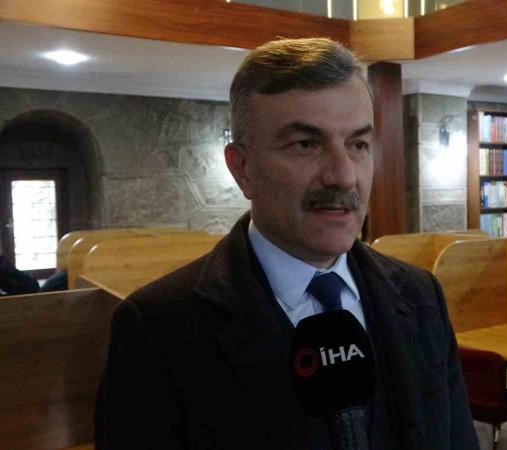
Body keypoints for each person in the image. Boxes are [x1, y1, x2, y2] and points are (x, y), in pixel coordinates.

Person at [95, 38, 478, 449]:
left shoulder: (421, 295)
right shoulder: (157, 328)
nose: (344, 176)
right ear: (242, 168)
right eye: (306, 144)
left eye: (358, 145)